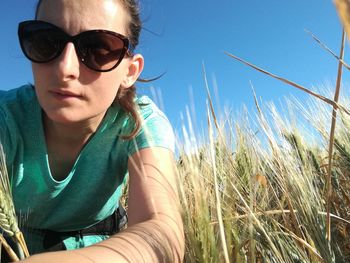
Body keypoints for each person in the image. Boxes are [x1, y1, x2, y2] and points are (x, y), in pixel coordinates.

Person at [0, 0, 184, 262]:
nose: (65, 69)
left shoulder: (139, 123)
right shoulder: (6, 117)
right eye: (45, 41)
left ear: (130, 72)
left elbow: (162, 233)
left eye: (98, 48)